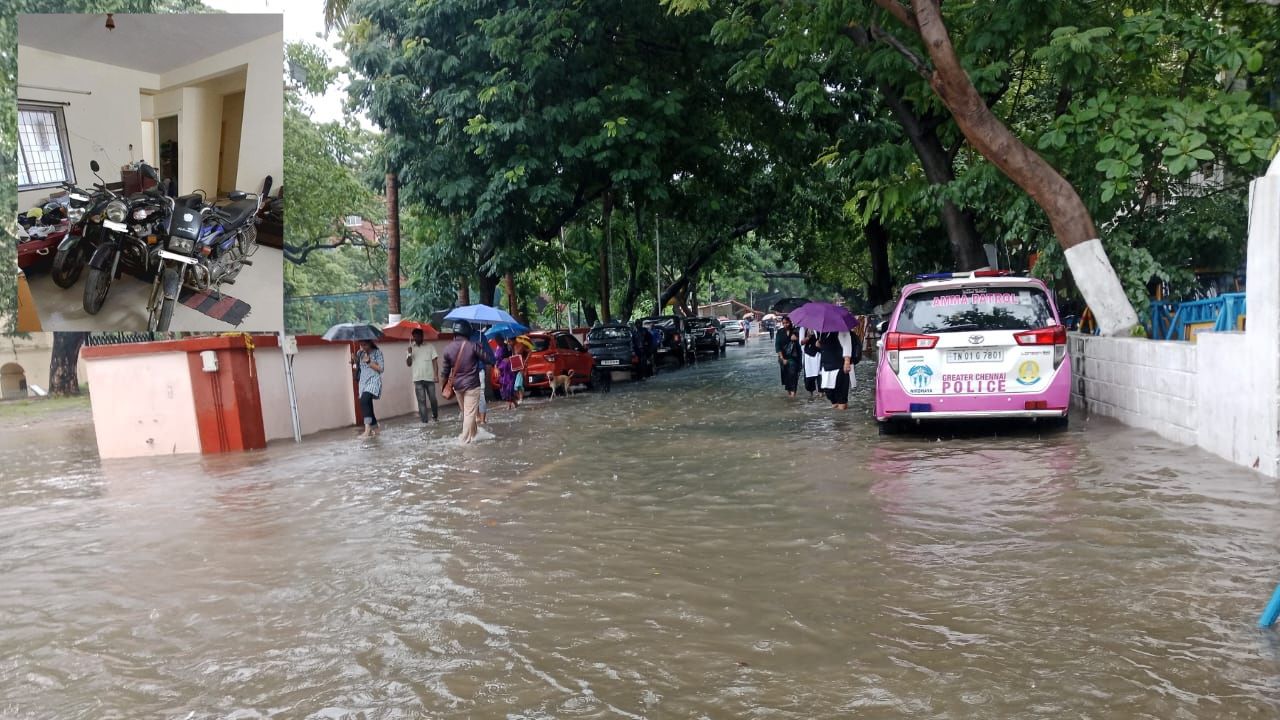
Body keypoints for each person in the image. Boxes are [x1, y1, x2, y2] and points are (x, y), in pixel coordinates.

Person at [406, 328, 440, 424]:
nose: (417, 338)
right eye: (415, 336)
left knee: (433, 399)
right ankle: (424, 421)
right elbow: (408, 364)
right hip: (417, 379)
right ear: (413, 337)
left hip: (429, 378)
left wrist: (436, 375)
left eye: (419, 336)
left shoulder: (430, 346)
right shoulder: (410, 348)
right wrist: (409, 354)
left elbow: (435, 362)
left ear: (422, 336)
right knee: (421, 401)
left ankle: (435, 416)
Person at [818, 327, 856, 410]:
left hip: (839, 366)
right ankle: (837, 417)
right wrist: (819, 344)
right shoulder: (823, 332)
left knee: (841, 394)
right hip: (827, 366)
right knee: (829, 392)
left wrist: (847, 361)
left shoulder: (842, 330)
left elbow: (847, 345)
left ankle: (842, 417)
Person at [352, 339, 384, 437]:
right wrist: (355, 361)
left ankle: (367, 430)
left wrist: (369, 361)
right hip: (363, 382)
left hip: (373, 380)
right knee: (368, 404)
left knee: (364, 401)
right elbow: (358, 368)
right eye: (361, 345)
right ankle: (375, 428)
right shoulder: (359, 353)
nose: (362, 347)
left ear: (370, 343)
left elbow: (381, 369)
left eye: (365, 345)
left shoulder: (377, 352)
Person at [774, 316, 801, 397]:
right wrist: (782, 358)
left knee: (793, 375)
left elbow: (801, 344)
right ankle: (790, 393)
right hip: (783, 358)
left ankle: (793, 395)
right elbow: (777, 346)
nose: (785, 325)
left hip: (794, 358)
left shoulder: (796, 331)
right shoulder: (780, 332)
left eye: (787, 323)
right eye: (784, 323)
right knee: (786, 377)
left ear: (790, 322)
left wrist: (796, 338)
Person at [498, 338, 518, 409]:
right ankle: (514, 403)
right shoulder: (500, 348)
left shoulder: (507, 347)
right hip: (503, 373)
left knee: (508, 388)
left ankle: (509, 405)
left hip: (508, 373)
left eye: (498, 339)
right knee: (506, 388)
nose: (497, 341)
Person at [802, 329, 822, 398]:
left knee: (820, 376)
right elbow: (801, 342)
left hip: (819, 354)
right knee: (809, 377)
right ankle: (811, 396)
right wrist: (808, 337)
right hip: (809, 356)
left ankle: (821, 394)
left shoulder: (822, 328)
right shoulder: (804, 328)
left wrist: (820, 343)